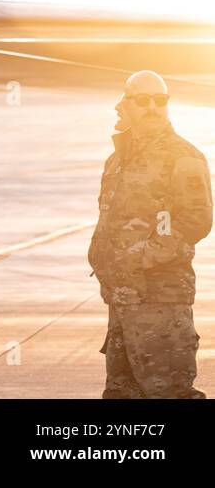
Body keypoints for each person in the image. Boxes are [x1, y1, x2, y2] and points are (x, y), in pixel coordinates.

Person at [88, 70, 212, 398]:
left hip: (161, 298)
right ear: (126, 105)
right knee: (121, 393)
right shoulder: (119, 159)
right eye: (143, 100)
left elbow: (195, 219)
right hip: (123, 298)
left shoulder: (181, 156)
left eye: (161, 100)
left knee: (169, 392)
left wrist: (143, 255)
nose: (153, 107)